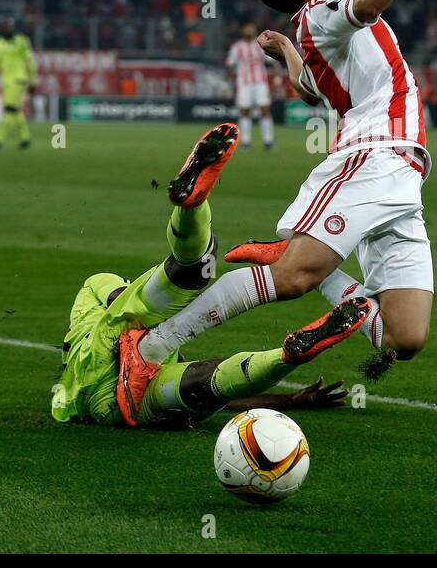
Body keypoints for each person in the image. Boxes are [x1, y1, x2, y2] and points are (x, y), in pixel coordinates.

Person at [121, 0, 437, 379]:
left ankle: (313, 265)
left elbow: (309, 89)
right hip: (372, 157)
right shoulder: (325, 11)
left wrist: (284, 50)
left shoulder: (317, 27)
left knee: (405, 338)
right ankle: (153, 347)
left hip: (405, 176)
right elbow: (370, 0)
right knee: (292, 277)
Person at [52, 123, 365, 428]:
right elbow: (110, 291)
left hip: (112, 403)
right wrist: (150, 307)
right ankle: (191, 208)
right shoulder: (88, 311)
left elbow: (224, 401)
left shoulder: (78, 359)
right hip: (123, 353)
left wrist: (291, 401)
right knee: (191, 268)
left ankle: (286, 357)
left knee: (205, 385)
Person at [0, 17, 37, 150]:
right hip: (6, 81)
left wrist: (32, 80)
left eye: (8, 26)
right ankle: (25, 138)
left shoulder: (22, 41)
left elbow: (30, 61)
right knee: (15, 110)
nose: (6, 29)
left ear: (13, 27)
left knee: (10, 109)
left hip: (18, 79)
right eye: (4, 27)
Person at [225, 21, 275, 150]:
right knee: (245, 111)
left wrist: (277, 77)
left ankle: (268, 141)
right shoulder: (237, 47)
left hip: (260, 82)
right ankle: (245, 142)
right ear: (242, 30)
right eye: (247, 28)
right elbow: (230, 64)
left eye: (252, 28)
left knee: (264, 110)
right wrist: (227, 83)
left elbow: (273, 60)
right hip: (244, 84)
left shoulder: (260, 45)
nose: (250, 30)